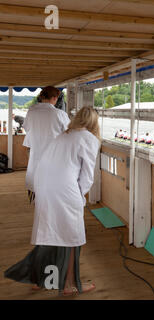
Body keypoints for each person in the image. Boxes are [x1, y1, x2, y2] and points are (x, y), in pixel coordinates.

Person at [4, 106, 101, 296]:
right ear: (94, 122)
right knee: (73, 238)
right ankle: (69, 285)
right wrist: (80, 197)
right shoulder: (89, 139)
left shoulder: (63, 135)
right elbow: (88, 176)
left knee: (49, 233)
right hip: (65, 190)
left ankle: (41, 280)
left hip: (44, 187)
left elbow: (46, 162)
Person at [23, 86, 70, 201]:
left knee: (36, 179)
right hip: (55, 154)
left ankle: (36, 201)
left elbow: (27, 127)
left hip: (36, 150)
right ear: (54, 98)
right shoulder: (59, 114)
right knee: (52, 184)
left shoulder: (31, 111)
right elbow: (69, 133)